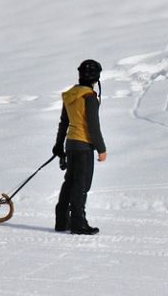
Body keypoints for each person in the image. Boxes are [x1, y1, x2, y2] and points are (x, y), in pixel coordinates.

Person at [53, 59, 107, 235]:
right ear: (96, 77)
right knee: (81, 185)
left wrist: (58, 145)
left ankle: (62, 220)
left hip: (71, 144)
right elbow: (93, 125)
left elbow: (64, 122)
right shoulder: (89, 97)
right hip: (84, 146)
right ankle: (78, 222)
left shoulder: (70, 94)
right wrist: (101, 148)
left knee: (70, 182)